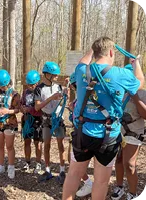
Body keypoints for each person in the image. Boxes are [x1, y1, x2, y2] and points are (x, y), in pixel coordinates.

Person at [62, 36, 144, 200]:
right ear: (112, 52)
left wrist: (93, 49)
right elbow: (140, 82)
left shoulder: (81, 70)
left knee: (73, 175)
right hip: (108, 138)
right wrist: (136, 63)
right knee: (101, 182)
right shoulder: (120, 74)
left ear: (95, 52)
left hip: (82, 133)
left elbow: (83, 60)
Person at [111, 64, 146, 200]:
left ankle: (133, 193)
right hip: (118, 130)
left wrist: (135, 97)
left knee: (130, 165)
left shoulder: (142, 93)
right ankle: (119, 187)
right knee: (119, 160)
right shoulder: (118, 91)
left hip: (133, 132)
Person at [34, 61, 66, 185]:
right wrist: (51, 98)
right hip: (46, 119)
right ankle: (47, 170)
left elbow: (62, 101)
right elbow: (37, 107)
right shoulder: (39, 88)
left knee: (61, 144)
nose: (57, 77)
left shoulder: (58, 87)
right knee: (46, 144)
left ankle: (62, 170)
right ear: (47, 74)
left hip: (58, 118)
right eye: (54, 75)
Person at [0, 69, 20, 180]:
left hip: (9, 122)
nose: (2, 88)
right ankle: (0, 166)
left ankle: (11, 166)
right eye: (0, 86)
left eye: (4, 86)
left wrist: (8, 111)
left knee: (10, 146)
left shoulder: (14, 94)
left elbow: (17, 109)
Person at [67, 73, 93, 197]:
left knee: (76, 161)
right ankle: (88, 183)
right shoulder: (80, 97)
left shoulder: (83, 98)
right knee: (72, 159)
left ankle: (89, 184)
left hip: (83, 134)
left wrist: (73, 110)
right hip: (80, 132)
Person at [20, 70, 42, 173]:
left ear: (37, 83)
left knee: (37, 142)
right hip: (27, 119)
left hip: (38, 120)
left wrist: (31, 109)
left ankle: (38, 163)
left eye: (32, 85)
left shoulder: (41, 92)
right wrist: (22, 108)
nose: (30, 86)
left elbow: (41, 108)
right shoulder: (25, 92)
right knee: (27, 141)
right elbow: (21, 103)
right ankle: (27, 162)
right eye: (28, 84)